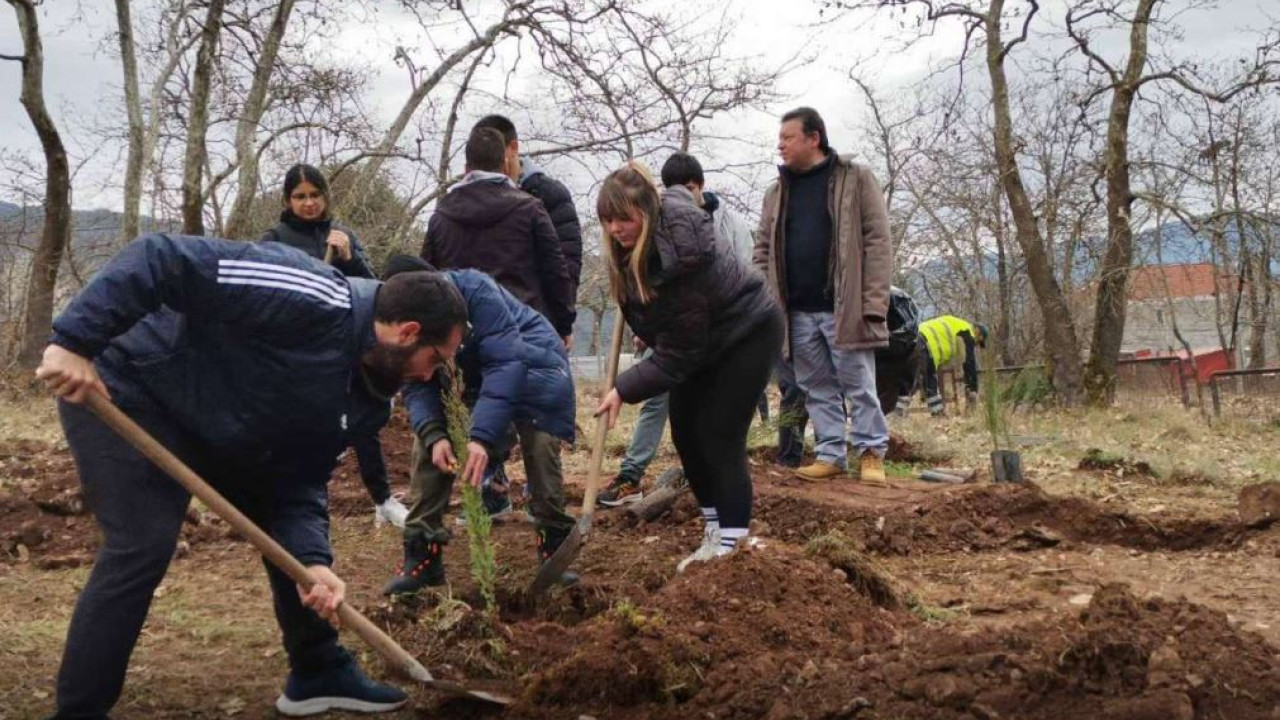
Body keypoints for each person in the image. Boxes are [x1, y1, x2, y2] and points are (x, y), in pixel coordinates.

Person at [36, 233, 471, 718]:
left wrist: (312, 561)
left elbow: (299, 479)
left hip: (228, 424)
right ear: (408, 332)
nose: (431, 376)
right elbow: (161, 259)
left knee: (294, 552)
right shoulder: (307, 292)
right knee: (143, 543)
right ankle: (79, 711)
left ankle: (317, 670)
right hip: (133, 390)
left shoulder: (368, 397)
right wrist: (74, 341)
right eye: (435, 360)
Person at [594, 162, 782, 572]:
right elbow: (674, 324)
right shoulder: (634, 248)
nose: (614, 229)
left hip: (746, 334)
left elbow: (681, 352)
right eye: (607, 220)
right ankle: (715, 531)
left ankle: (731, 546)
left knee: (718, 434)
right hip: (704, 338)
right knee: (685, 430)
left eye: (623, 219)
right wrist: (651, 328)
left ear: (646, 211)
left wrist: (624, 388)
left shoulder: (681, 256)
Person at [381, 256, 579, 595]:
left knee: (540, 446)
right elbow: (416, 380)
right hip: (476, 376)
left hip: (533, 366)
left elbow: (506, 364)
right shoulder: (399, 324)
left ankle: (554, 552)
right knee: (429, 445)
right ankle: (422, 560)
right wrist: (434, 433)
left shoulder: (477, 292)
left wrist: (482, 437)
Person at [259, 163, 408, 529]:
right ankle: (301, 505)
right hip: (298, 350)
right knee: (304, 427)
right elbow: (264, 291)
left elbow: (375, 290)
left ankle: (383, 499)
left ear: (325, 197)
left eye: (315, 195)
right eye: (300, 197)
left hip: (344, 344)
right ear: (288, 200)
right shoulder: (273, 240)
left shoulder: (342, 235)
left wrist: (349, 258)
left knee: (364, 421)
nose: (309, 203)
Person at [752, 106, 893, 485]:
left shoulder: (855, 179)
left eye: (788, 138)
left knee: (858, 384)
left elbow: (877, 242)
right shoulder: (776, 191)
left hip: (843, 306)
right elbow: (762, 249)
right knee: (815, 387)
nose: (780, 145)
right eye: (780, 139)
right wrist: (769, 301)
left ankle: (871, 453)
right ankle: (831, 454)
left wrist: (874, 302)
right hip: (795, 310)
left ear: (813, 138)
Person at [422, 126, 576, 342]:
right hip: (525, 332)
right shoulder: (530, 209)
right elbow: (555, 272)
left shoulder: (441, 217)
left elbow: (427, 278)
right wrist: (564, 324)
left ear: (467, 169)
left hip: (465, 338)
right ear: (505, 165)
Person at [473, 113, 584, 312]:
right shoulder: (468, 201)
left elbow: (567, 265)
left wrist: (561, 318)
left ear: (513, 148)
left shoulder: (549, 195)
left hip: (536, 320)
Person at [918, 315, 988, 416]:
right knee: (910, 382)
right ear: (977, 331)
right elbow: (969, 363)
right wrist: (973, 390)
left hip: (918, 336)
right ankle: (896, 415)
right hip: (926, 345)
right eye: (978, 341)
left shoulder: (957, 324)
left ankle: (938, 413)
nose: (976, 344)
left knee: (929, 381)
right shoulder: (967, 332)